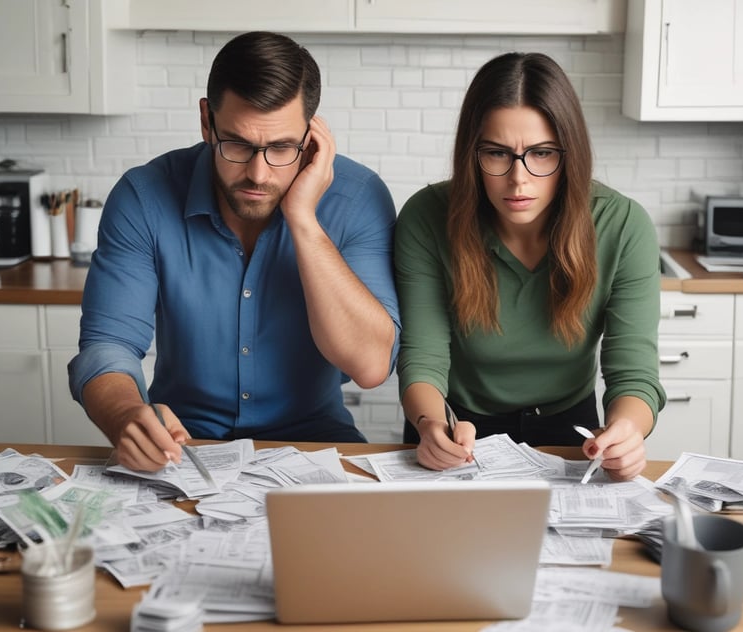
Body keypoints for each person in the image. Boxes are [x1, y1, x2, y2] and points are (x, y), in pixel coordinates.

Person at [69, 32, 400, 472]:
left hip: (316, 436)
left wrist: (303, 219)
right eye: (238, 144)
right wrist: (128, 416)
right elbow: (107, 346)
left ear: (311, 135)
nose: (258, 173)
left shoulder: (357, 198)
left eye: (282, 147)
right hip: (181, 440)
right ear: (207, 121)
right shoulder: (143, 197)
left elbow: (372, 365)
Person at [394, 52, 666, 481]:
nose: (518, 179)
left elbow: (633, 370)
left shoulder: (623, 225)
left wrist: (628, 431)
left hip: (570, 429)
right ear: (471, 154)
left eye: (541, 154)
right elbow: (423, 356)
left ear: (569, 154)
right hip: (456, 426)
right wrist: (430, 426)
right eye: (497, 154)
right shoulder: (426, 217)